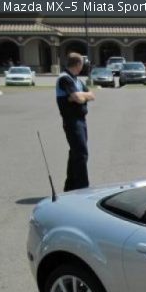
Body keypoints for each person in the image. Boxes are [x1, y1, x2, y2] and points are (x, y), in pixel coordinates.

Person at [55, 52, 95, 191]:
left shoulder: (76, 80)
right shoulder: (64, 79)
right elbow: (78, 98)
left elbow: (91, 95)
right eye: (82, 64)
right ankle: (82, 187)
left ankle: (70, 187)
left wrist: (80, 96)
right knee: (81, 153)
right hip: (72, 121)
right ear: (78, 64)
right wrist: (79, 97)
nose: (82, 67)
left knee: (75, 153)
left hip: (80, 120)